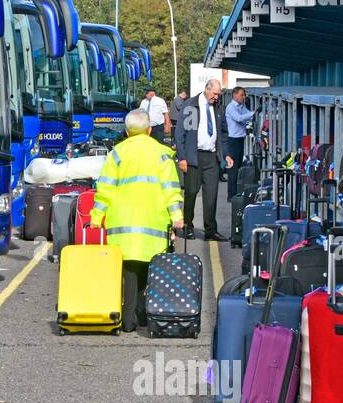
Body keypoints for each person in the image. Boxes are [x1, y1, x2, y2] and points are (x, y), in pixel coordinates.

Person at [87, 108, 184, 333]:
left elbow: (105, 190)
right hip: (153, 222)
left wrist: (96, 217)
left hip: (122, 224)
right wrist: (177, 217)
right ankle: (144, 314)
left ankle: (128, 318)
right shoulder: (161, 153)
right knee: (149, 269)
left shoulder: (117, 154)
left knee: (129, 270)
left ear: (128, 132)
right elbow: (171, 189)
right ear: (150, 130)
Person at [176, 78, 232, 240]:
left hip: (211, 157)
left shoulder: (218, 108)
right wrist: (182, 157)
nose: (217, 97)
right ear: (207, 90)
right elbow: (181, 134)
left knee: (211, 195)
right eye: (215, 94)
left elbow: (223, 133)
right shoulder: (192, 106)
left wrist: (226, 154)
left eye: (218, 94)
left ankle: (210, 231)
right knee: (191, 193)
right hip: (194, 156)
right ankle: (188, 226)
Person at [224, 86, 254, 201]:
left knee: (238, 167)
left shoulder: (242, 106)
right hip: (233, 140)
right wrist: (253, 113)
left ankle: (236, 193)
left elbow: (248, 116)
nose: (243, 97)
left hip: (240, 139)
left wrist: (251, 115)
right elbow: (239, 118)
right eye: (242, 95)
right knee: (233, 168)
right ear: (235, 95)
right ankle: (231, 195)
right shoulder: (231, 107)